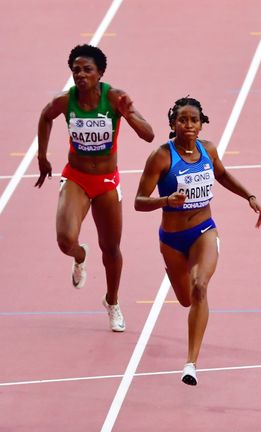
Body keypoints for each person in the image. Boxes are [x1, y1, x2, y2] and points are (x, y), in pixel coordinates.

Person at [134, 97, 261, 385]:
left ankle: (190, 363)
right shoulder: (161, 157)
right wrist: (165, 200)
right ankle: (177, 277)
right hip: (171, 240)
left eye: (194, 120)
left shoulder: (209, 150)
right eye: (183, 120)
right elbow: (138, 202)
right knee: (184, 299)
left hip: (204, 231)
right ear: (173, 124)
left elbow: (222, 175)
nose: (189, 125)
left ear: (202, 123)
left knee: (200, 287)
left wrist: (249, 196)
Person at [35, 44, 155, 332]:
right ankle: (80, 256)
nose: (81, 74)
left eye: (87, 69)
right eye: (76, 69)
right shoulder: (65, 101)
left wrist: (128, 115)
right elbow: (45, 117)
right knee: (65, 241)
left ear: (100, 73)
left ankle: (112, 302)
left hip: (106, 183)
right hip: (76, 178)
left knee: (111, 248)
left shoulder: (114, 98)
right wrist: (42, 156)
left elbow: (149, 135)